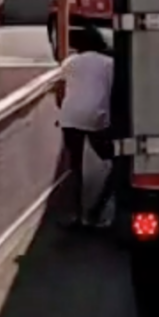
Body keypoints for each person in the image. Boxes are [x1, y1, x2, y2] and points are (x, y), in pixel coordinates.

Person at [55, 26, 117, 229]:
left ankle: (75, 214)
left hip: (70, 117)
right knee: (116, 162)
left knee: (75, 165)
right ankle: (97, 210)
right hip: (96, 117)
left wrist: (63, 110)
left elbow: (59, 90)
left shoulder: (70, 62)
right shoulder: (110, 64)